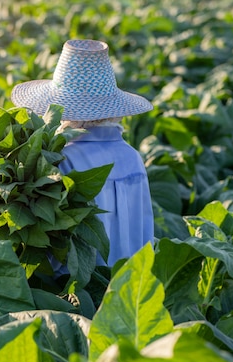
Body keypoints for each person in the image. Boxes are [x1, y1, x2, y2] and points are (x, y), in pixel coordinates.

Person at [11, 39, 154, 267]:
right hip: (129, 285)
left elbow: (56, 251)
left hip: (83, 291)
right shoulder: (132, 157)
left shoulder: (62, 160)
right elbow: (146, 234)